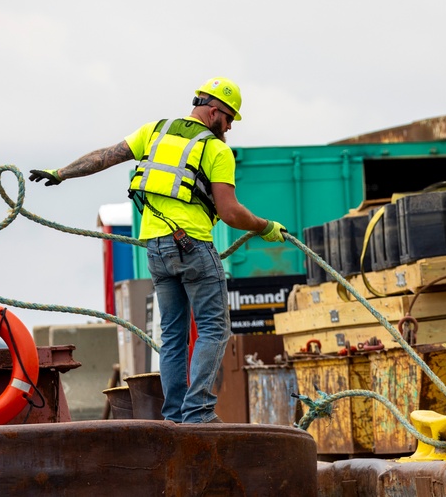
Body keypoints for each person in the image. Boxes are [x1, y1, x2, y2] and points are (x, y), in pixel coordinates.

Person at [29, 77, 286, 424]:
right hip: (193, 244)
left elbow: (105, 157)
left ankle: (175, 416)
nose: (228, 128)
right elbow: (230, 212)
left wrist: (61, 173)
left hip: (157, 250)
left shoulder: (155, 131)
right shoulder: (216, 149)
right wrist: (264, 226)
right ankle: (197, 413)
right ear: (214, 112)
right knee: (213, 329)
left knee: (174, 336)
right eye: (228, 120)